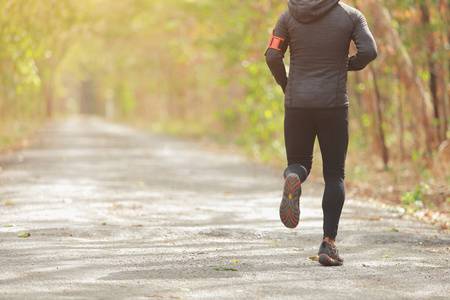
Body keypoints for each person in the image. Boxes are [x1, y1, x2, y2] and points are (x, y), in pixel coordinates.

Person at [265, 0, 377, 266]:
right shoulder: (351, 15)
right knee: (334, 174)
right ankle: (328, 244)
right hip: (333, 104)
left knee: (299, 163)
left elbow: (272, 55)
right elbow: (370, 51)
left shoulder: (288, 16)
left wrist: (287, 85)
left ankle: (293, 176)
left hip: (297, 104)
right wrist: (345, 64)